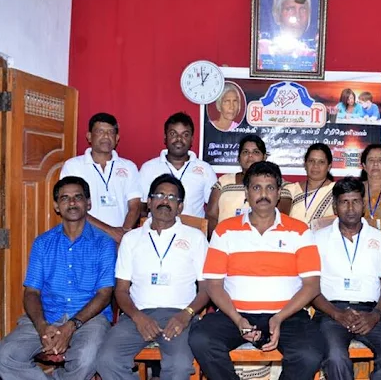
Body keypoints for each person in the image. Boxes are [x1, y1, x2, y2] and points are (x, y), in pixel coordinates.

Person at [189, 161, 326, 380]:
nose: (263, 194)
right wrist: (238, 320)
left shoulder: (300, 231)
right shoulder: (225, 230)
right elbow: (214, 285)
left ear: (279, 193)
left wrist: (279, 318)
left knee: (309, 354)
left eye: (270, 188)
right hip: (235, 314)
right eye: (256, 188)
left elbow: (312, 286)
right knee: (201, 339)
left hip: (287, 316)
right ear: (246, 193)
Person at [0, 176, 116, 380]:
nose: (72, 203)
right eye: (64, 198)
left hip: (89, 319)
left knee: (87, 358)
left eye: (78, 197)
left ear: (88, 203)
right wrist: (42, 326)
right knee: (5, 356)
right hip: (48, 315)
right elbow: (31, 292)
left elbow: (105, 294)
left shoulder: (104, 244)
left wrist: (71, 326)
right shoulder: (43, 243)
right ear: (56, 206)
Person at [97, 174, 209, 380]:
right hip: (137, 314)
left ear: (180, 207)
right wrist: (138, 317)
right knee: (106, 360)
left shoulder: (196, 238)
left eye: (172, 197)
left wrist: (186, 315)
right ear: (148, 202)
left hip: (179, 315)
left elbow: (206, 289)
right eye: (159, 195)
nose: (165, 201)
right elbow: (121, 290)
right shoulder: (131, 239)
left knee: (179, 366)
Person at [312, 177, 381, 380]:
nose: (350, 208)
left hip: (371, 313)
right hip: (331, 312)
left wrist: (375, 315)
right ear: (335, 206)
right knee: (335, 357)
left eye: (356, 201)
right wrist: (337, 314)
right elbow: (312, 289)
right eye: (344, 202)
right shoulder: (318, 238)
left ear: (363, 205)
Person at [60, 112, 142, 243]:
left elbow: (135, 205)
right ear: (89, 136)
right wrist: (110, 231)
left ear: (117, 138)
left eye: (111, 132)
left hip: (120, 240)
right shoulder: (73, 166)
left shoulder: (129, 166)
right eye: (100, 131)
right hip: (85, 239)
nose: (106, 136)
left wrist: (124, 234)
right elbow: (73, 206)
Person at [206, 135, 292, 236]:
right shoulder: (224, 181)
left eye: (256, 152)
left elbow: (281, 218)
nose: (250, 156)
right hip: (226, 239)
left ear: (264, 157)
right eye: (245, 152)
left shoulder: (277, 184)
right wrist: (218, 239)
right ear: (239, 158)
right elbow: (211, 215)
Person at [140, 112, 217, 218]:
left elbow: (213, 210)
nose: (179, 139)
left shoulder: (205, 169)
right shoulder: (148, 168)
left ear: (192, 139)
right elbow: (142, 209)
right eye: (173, 134)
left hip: (193, 228)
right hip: (158, 227)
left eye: (185, 135)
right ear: (165, 137)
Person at [285, 143, 335, 224]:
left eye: (321, 162)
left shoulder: (336, 190)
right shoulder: (290, 190)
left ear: (329, 166)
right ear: (305, 164)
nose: (315, 166)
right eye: (311, 161)